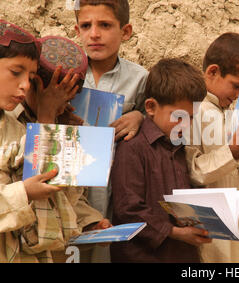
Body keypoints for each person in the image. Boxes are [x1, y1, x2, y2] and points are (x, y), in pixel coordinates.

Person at [110, 58, 211, 263]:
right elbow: (127, 209)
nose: (185, 125)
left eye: (191, 118)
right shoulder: (133, 147)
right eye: (178, 117)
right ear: (151, 107)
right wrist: (173, 232)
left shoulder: (180, 147)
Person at [74, 0, 149, 261]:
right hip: (72, 188)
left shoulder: (140, 78)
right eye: (86, 26)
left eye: (105, 25)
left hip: (114, 189)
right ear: (77, 30)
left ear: (125, 31)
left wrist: (139, 115)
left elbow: (155, 119)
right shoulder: (67, 74)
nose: (94, 34)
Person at [185, 32, 239, 263]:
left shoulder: (231, 113)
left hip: (234, 221)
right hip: (207, 226)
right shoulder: (192, 112)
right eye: (236, 86)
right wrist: (233, 153)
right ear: (213, 72)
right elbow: (192, 170)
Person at [0, 20, 71, 263]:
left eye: (30, 77)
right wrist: (24, 192)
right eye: (15, 72)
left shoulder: (17, 131)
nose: (24, 85)